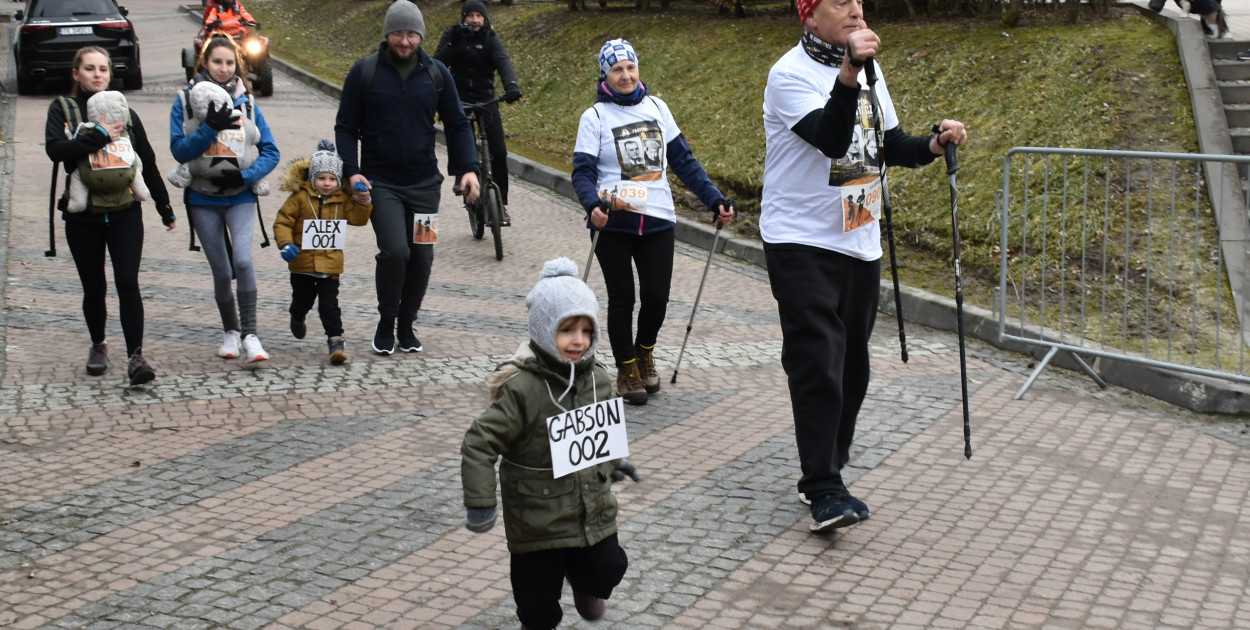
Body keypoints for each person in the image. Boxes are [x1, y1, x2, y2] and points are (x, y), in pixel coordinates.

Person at [761, 0, 967, 533]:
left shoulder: (871, 71)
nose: (855, 8)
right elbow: (830, 138)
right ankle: (822, 486)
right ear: (809, 15)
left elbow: (888, 143)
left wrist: (932, 143)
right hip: (800, 239)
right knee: (817, 359)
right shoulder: (788, 74)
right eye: (839, 2)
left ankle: (834, 466)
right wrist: (849, 73)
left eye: (858, 0)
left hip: (858, 238)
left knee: (853, 366)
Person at [461, 257, 631, 630]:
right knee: (536, 605)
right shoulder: (522, 389)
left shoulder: (599, 380)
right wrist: (480, 502)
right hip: (537, 519)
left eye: (587, 331)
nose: (578, 340)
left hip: (591, 512)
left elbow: (600, 433)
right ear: (543, 329)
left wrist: (614, 463)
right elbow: (479, 442)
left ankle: (588, 586)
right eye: (567, 329)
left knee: (610, 566)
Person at [572, 38, 735, 406]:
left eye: (630, 67)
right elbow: (582, 173)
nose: (626, 75)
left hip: (658, 220)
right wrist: (591, 204)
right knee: (622, 298)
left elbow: (684, 161)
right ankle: (626, 367)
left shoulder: (658, 108)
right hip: (614, 224)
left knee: (657, 298)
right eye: (617, 69)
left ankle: (645, 351)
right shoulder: (594, 118)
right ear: (605, 75)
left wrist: (715, 199)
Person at [336, 0, 480, 357]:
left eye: (412, 34)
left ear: (421, 36)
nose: (405, 41)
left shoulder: (436, 73)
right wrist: (352, 171)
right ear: (387, 34)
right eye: (398, 33)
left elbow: (458, 124)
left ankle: (406, 323)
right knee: (395, 251)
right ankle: (386, 321)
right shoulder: (365, 72)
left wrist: (469, 168)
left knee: (422, 256)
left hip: (424, 187)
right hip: (380, 184)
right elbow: (346, 126)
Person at [44, 46, 177, 386]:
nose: (97, 74)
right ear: (76, 73)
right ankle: (98, 345)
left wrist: (164, 207)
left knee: (128, 282)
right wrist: (97, 137)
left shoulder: (127, 114)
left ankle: (136, 356)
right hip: (83, 217)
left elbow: (146, 160)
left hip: (124, 214)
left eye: (103, 68)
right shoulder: (64, 109)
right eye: (89, 68)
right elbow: (56, 150)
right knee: (94, 286)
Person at [171, 35, 280, 364]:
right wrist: (208, 129)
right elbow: (179, 149)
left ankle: (251, 335)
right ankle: (231, 331)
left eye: (229, 62)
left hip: (241, 197)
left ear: (237, 66)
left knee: (243, 262)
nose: (223, 68)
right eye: (217, 61)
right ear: (204, 63)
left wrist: (246, 176)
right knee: (221, 271)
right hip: (203, 199)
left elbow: (271, 151)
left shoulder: (248, 104)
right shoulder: (186, 102)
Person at [272, 140, 373, 365]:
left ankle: (335, 340)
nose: (326, 183)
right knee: (302, 300)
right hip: (302, 263)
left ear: (339, 180)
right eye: (321, 178)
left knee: (329, 305)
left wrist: (364, 200)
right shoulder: (299, 197)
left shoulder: (342, 199)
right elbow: (283, 222)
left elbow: (358, 219)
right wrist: (285, 244)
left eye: (332, 178)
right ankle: (297, 316)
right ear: (312, 178)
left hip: (330, 263)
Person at [434, 0, 522, 225]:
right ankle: (459, 175)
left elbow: (503, 61)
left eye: (478, 16)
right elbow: (437, 64)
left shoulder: (491, 39)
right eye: (470, 16)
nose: (474, 20)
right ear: (463, 18)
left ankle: (500, 204)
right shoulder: (453, 35)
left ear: (484, 19)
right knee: (458, 136)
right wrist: (453, 41)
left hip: (486, 98)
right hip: (458, 98)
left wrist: (511, 85)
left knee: (499, 152)